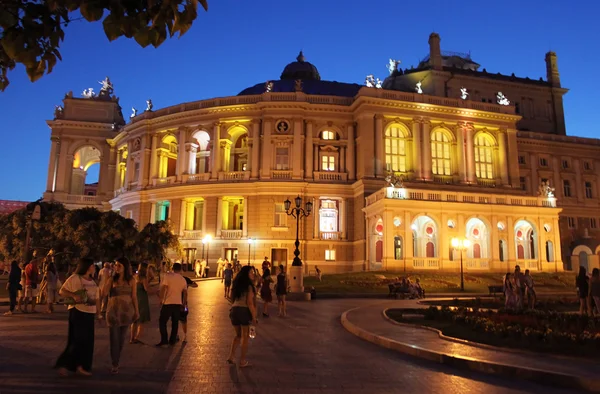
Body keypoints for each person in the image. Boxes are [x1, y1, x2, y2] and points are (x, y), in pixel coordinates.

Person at [55, 258, 100, 377]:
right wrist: (73, 295)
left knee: (88, 342)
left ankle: (82, 366)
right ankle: (64, 365)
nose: (94, 267)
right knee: (77, 340)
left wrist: (98, 313)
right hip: (78, 312)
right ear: (87, 266)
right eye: (92, 265)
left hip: (90, 312)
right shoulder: (75, 278)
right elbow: (62, 291)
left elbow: (97, 298)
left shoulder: (93, 281)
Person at [102, 257, 138, 374]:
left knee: (121, 339)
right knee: (114, 339)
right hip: (113, 312)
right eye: (115, 265)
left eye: (119, 265)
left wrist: (137, 311)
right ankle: (115, 363)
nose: (116, 267)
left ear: (125, 267)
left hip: (126, 313)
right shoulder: (112, 279)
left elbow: (134, 297)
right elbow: (104, 293)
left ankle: (116, 359)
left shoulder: (131, 280)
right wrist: (108, 279)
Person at [226, 265, 258, 367]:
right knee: (245, 337)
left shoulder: (236, 285)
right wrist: (254, 317)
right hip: (244, 311)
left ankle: (231, 356)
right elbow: (249, 303)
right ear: (246, 274)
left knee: (238, 335)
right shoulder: (249, 286)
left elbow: (231, 299)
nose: (253, 274)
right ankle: (242, 361)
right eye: (251, 272)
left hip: (234, 311)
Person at [156, 263, 188, 347]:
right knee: (175, 323)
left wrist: (161, 299)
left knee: (162, 321)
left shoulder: (168, 276)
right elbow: (185, 293)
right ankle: (172, 340)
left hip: (168, 303)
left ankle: (164, 340)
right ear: (180, 269)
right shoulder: (183, 279)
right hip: (178, 303)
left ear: (173, 268)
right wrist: (184, 304)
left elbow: (163, 288)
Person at [131, 262, 151, 344]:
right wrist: (156, 291)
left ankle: (132, 338)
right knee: (142, 320)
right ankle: (137, 337)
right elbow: (147, 289)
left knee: (134, 320)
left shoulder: (135, 277)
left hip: (135, 299)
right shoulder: (143, 278)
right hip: (142, 300)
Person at [179, 276, 198, 343]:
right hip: (177, 302)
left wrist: (188, 284)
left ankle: (184, 335)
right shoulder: (183, 278)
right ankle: (180, 335)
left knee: (182, 319)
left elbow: (195, 285)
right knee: (177, 319)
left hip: (181, 302)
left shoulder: (185, 279)